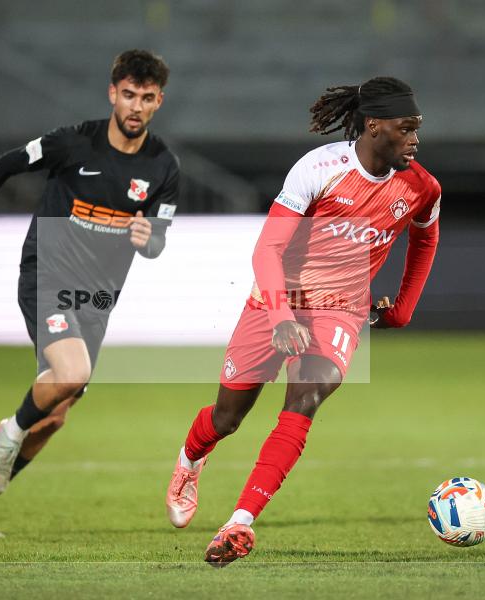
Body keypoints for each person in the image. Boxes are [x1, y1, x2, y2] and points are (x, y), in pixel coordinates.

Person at [164, 77, 441, 566]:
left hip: (341, 309)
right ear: (375, 126)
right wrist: (280, 317)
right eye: (407, 128)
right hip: (277, 297)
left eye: (418, 128)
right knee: (227, 417)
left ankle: (239, 523)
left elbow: (425, 239)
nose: (416, 138)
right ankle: (189, 461)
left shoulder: (421, 187)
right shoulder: (319, 169)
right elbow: (267, 248)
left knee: (308, 395)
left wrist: (403, 306)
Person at [0, 49, 179, 537]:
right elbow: (6, 164)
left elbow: (157, 240)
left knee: (54, 418)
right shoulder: (75, 143)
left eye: (147, 98)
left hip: (97, 298)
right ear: (113, 93)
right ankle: (9, 432)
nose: (135, 106)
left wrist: (147, 238)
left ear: (159, 102)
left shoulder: (164, 168)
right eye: (128, 95)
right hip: (47, 273)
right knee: (72, 372)